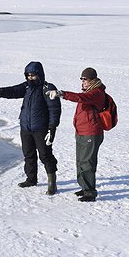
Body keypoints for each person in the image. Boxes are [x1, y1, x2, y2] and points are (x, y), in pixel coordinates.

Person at [0, 62, 61, 195]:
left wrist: (52, 129)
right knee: (28, 154)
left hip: (41, 128)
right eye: (28, 75)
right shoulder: (27, 87)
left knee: (45, 155)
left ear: (39, 75)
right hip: (26, 127)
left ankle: (51, 184)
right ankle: (31, 179)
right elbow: (14, 90)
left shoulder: (47, 88)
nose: (30, 78)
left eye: (33, 75)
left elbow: (54, 109)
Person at [47, 67, 105, 202]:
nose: (83, 82)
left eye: (86, 79)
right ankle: (84, 186)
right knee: (80, 161)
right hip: (81, 132)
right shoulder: (89, 91)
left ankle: (90, 192)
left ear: (93, 80)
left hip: (91, 133)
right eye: (82, 79)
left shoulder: (96, 93)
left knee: (87, 163)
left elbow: (80, 98)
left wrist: (62, 93)